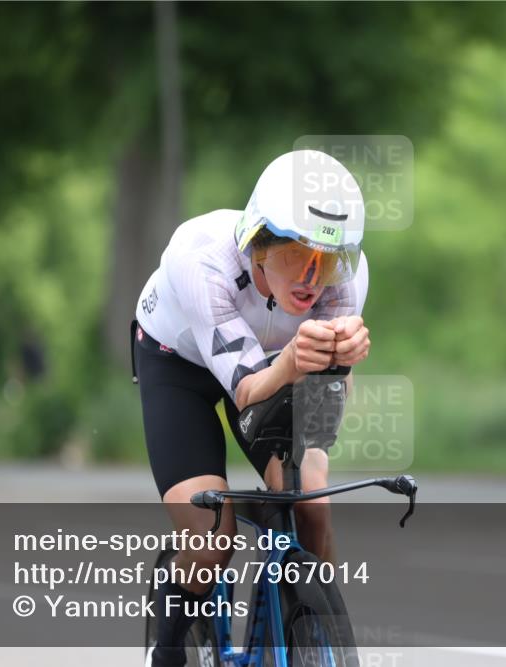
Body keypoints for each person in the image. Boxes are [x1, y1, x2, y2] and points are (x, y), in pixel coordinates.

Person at [133, 149, 370, 666]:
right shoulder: (203, 260)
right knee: (213, 536)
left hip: (277, 363)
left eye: (326, 260)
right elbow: (243, 389)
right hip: (181, 364)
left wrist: (342, 365)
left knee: (312, 504)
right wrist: (292, 361)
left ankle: (318, 635)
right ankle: (165, 649)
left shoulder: (345, 280)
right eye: (294, 254)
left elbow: (325, 410)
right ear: (258, 242)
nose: (312, 276)